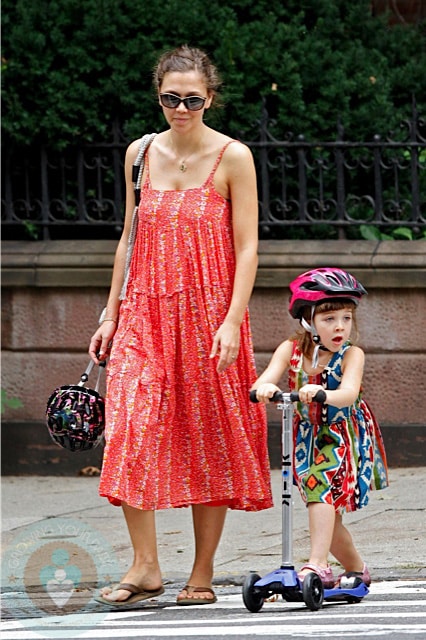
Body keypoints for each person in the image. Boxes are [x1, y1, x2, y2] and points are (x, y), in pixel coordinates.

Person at [89, 44, 273, 606]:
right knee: (130, 425)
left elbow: (248, 249)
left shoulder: (233, 157)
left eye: (193, 98)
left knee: (208, 433)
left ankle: (201, 572)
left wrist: (233, 319)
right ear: (158, 96)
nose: (181, 108)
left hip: (209, 314)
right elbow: (129, 237)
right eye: (171, 97)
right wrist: (110, 311)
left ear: (210, 97)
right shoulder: (139, 154)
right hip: (144, 309)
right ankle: (145, 565)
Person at [252, 267, 388, 588]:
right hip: (305, 438)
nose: (340, 326)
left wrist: (324, 393)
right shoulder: (290, 350)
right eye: (329, 319)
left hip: (342, 435)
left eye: (346, 318)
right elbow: (266, 377)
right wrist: (263, 389)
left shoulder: (351, 354)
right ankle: (356, 568)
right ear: (307, 321)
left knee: (319, 492)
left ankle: (318, 565)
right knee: (324, 508)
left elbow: (349, 393)